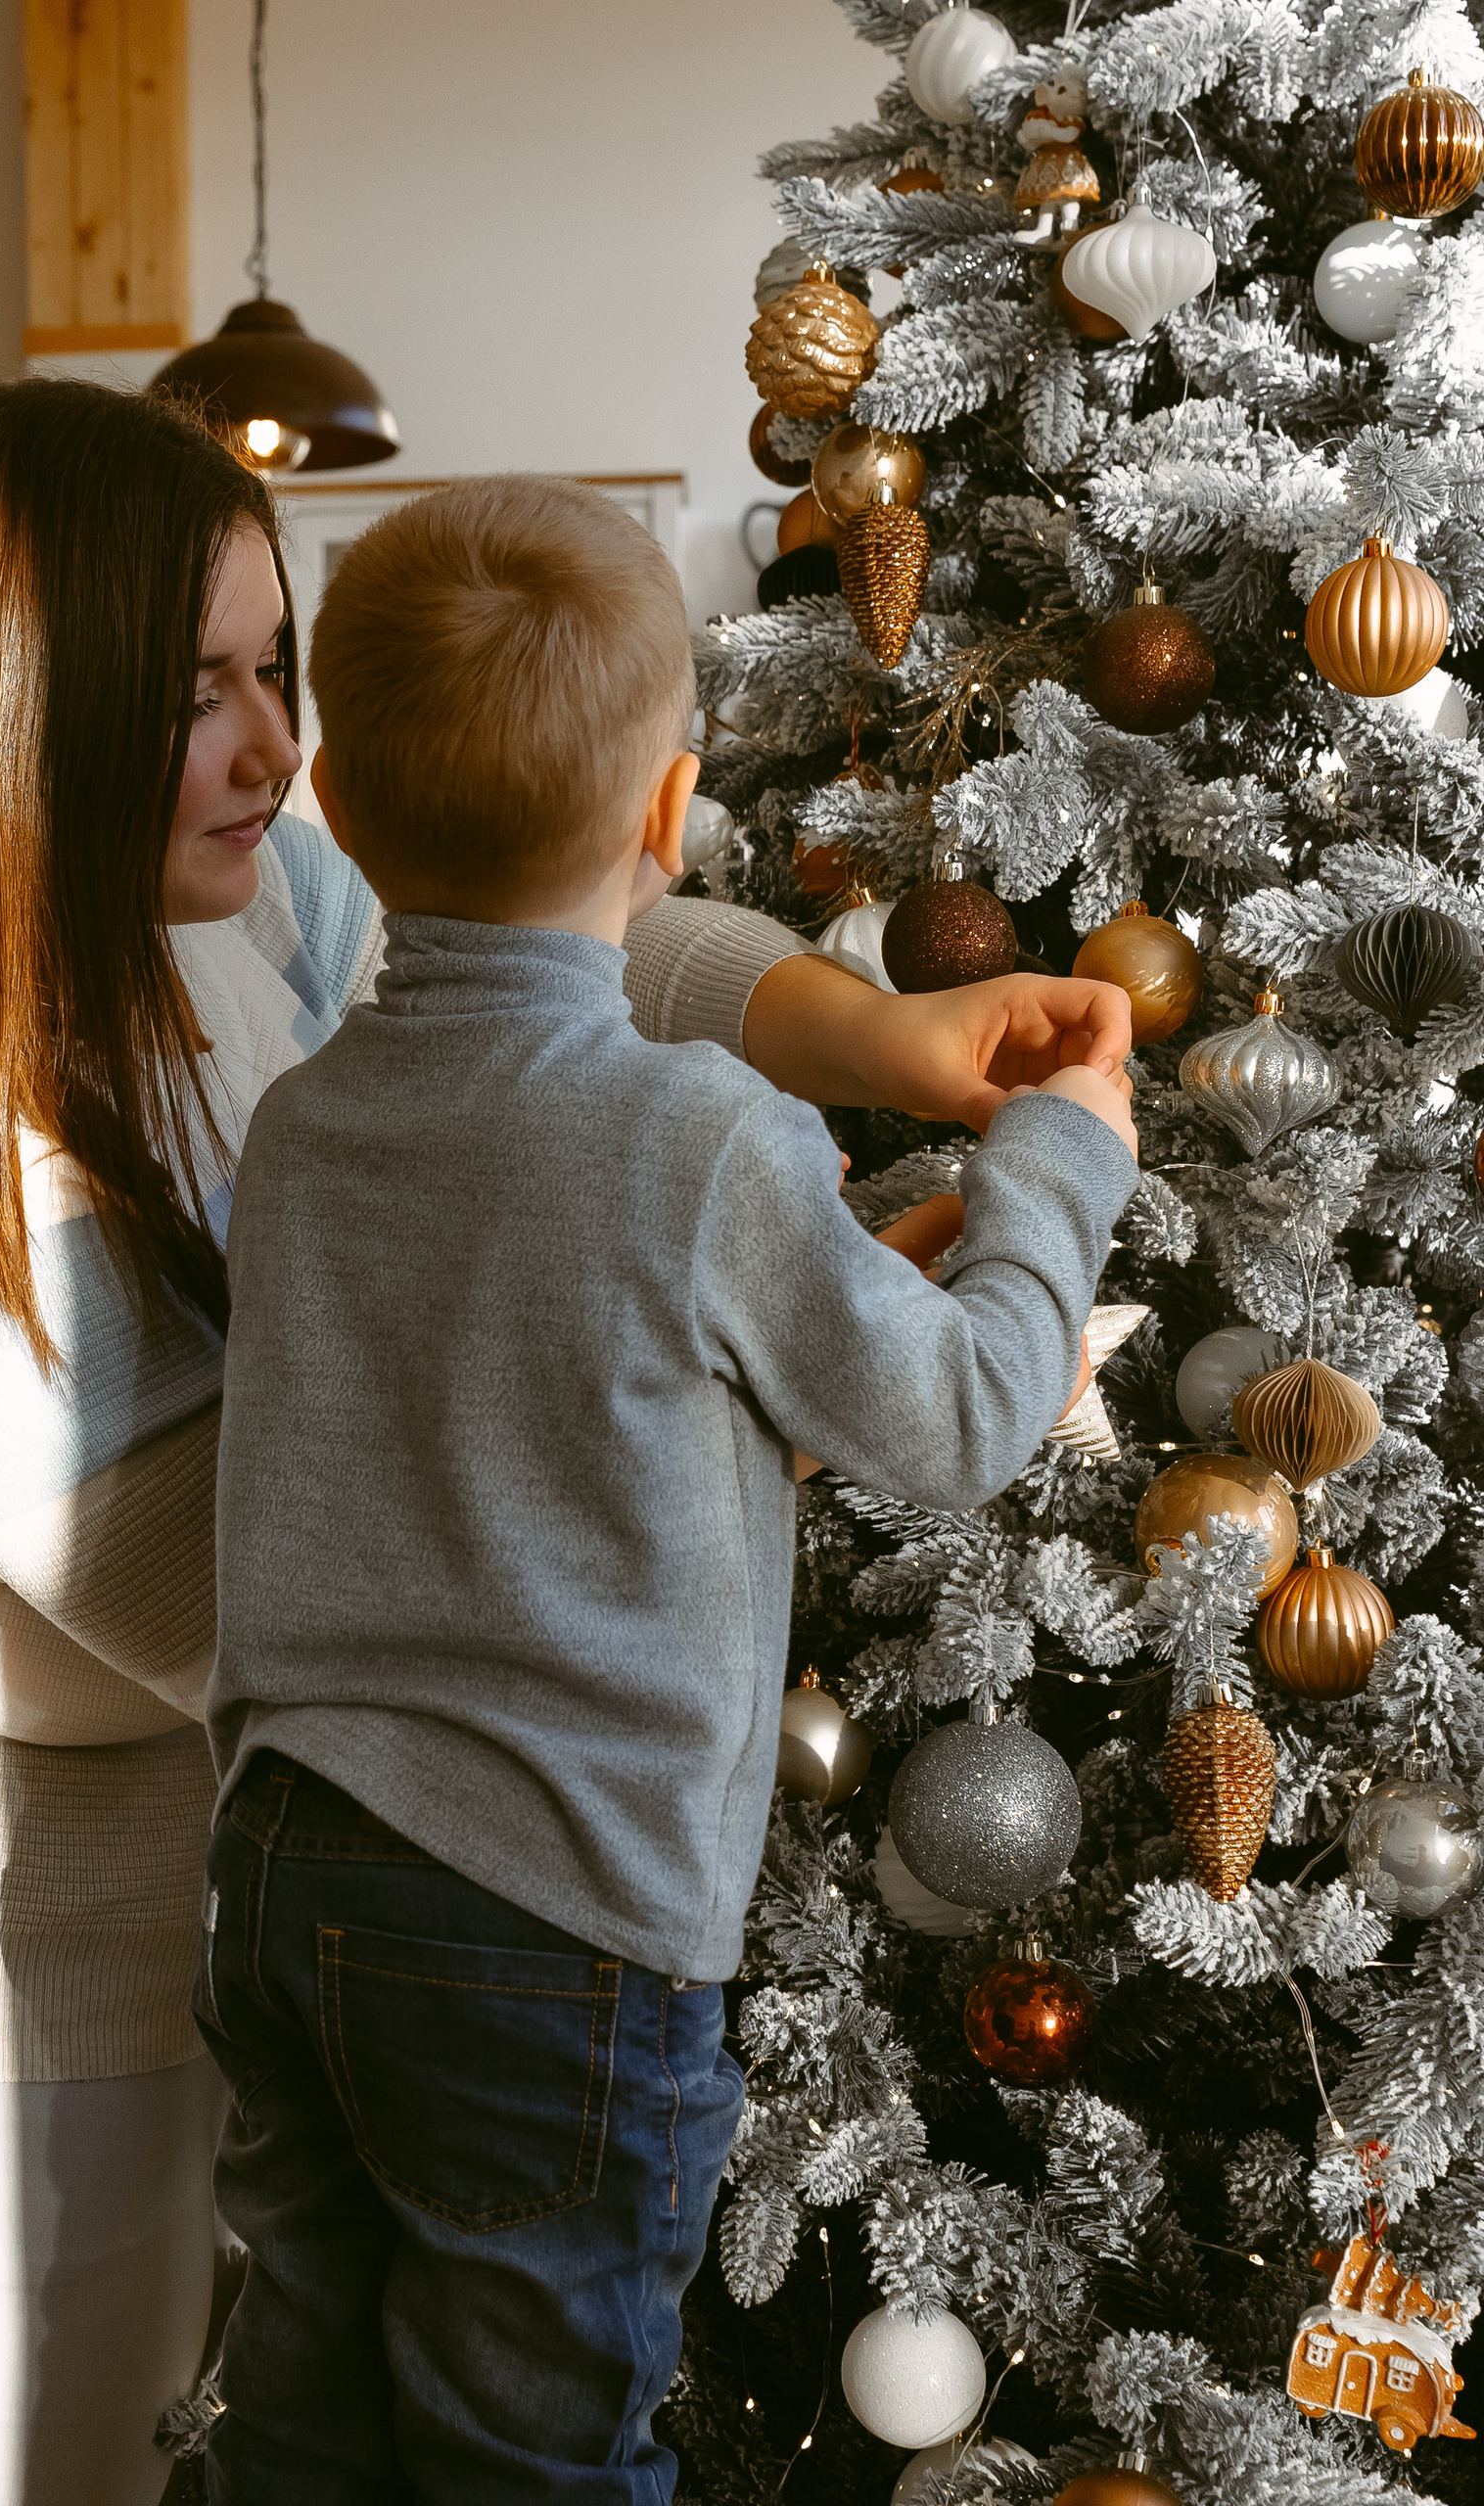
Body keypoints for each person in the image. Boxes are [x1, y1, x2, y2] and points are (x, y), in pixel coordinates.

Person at [0, 378, 1135, 2506]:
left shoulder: (246, 917)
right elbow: (316, 1551)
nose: (275, 753)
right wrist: (794, 1338)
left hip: (258, 1916)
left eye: (277, 670)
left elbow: (587, 923)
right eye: (200, 695)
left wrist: (868, 1030)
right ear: (13, 723)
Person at [198, 476, 1141, 2502]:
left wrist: (760, 1349)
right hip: (544, 1908)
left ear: (337, 809)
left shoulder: (304, 1122)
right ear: (668, 806)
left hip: (283, 1869)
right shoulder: (699, 1139)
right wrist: (1058, 1160)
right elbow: (962, 1414)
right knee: (529, 2448)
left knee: (302, 2422)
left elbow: (500, 1399)